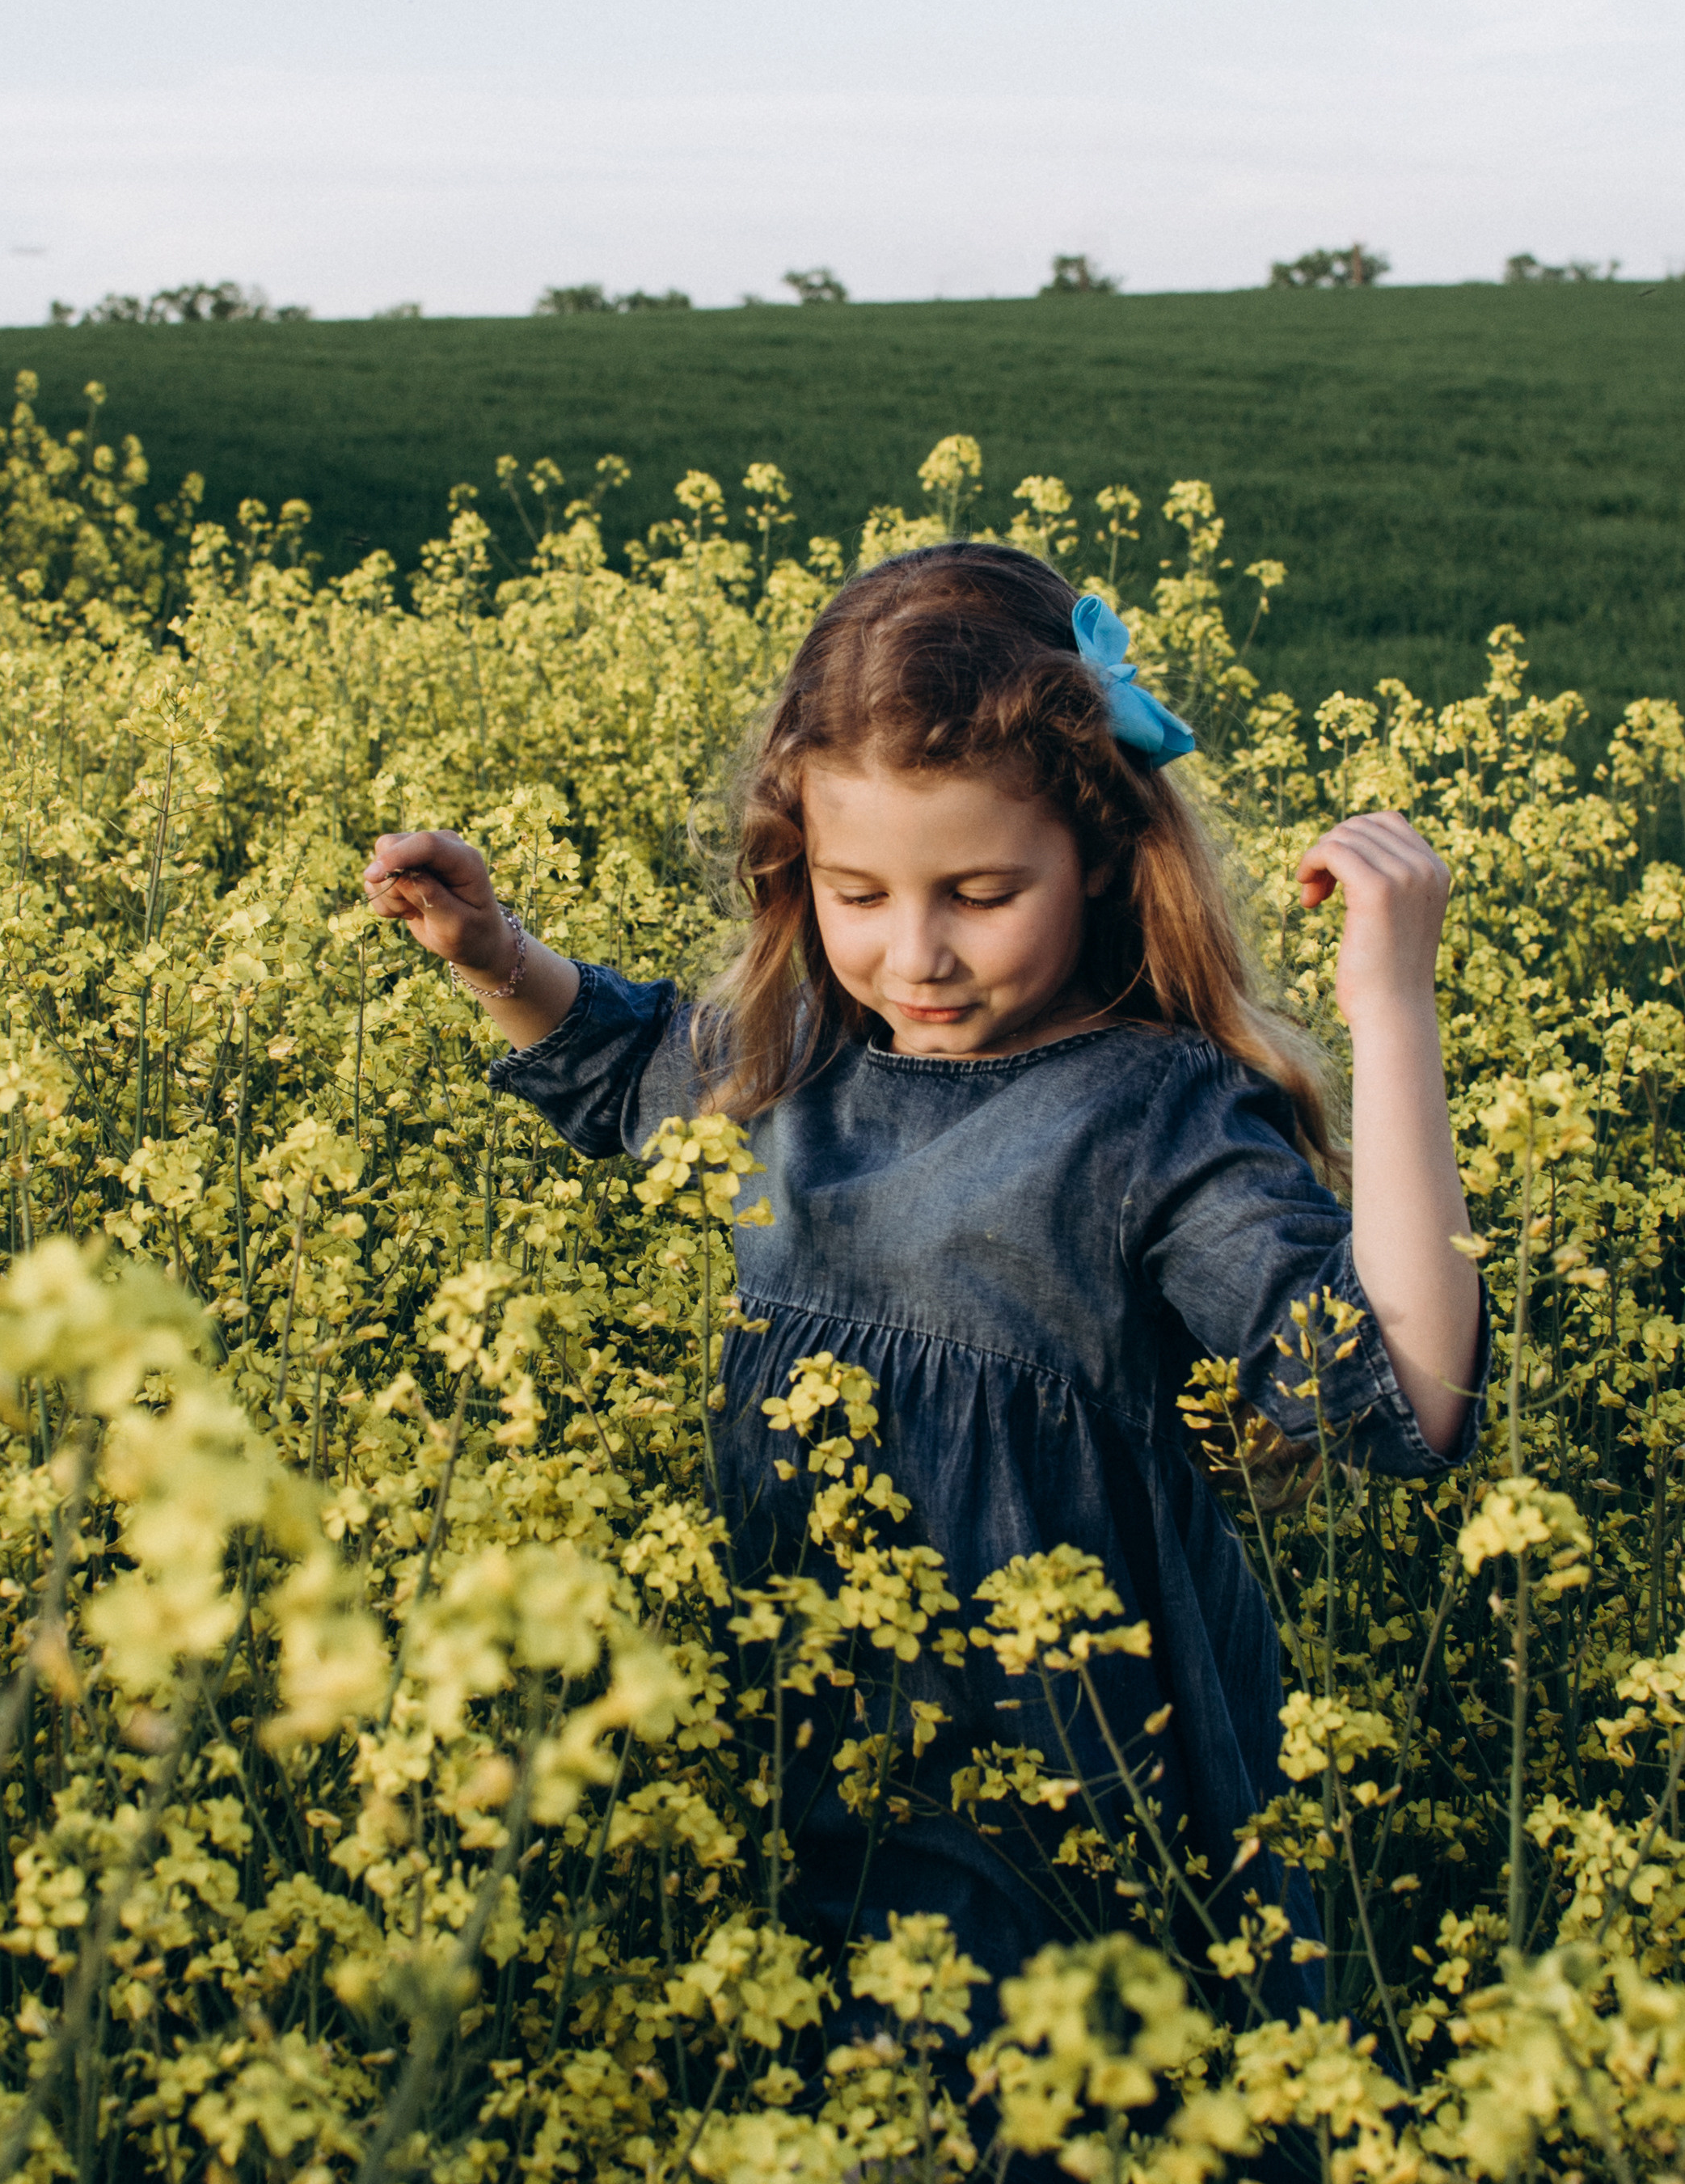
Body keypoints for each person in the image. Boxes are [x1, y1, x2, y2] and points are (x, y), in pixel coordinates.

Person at [362, 541, 1484, 2020]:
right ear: (796, 872)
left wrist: (1386, 1002)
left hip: (1061, 1752)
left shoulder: (1148, 1117)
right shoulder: (796, 1065)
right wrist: (497, 954)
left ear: (1093, 853)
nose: (915, 956)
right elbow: (630, 1065)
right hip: (806, 1712)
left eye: (976, 892)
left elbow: (1392, 1390)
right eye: (856, 894)